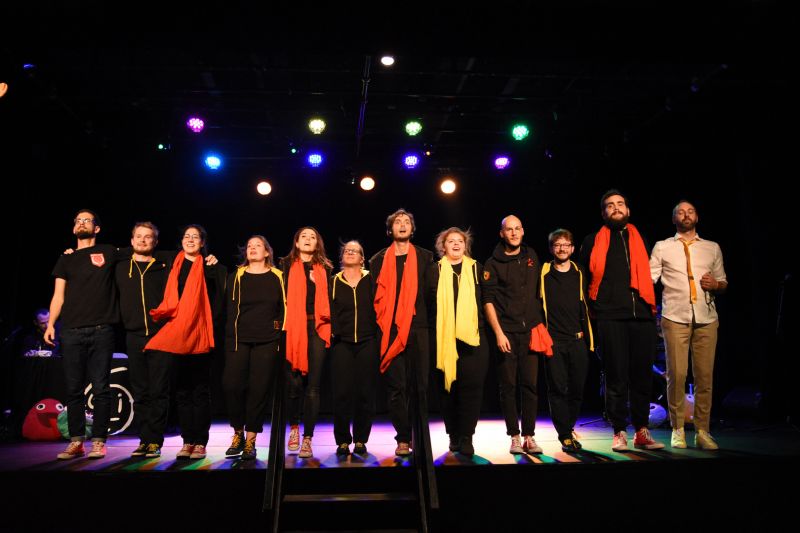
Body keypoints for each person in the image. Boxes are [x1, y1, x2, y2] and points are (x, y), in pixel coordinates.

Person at [578, 190, 664, 451]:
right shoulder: (592, 240)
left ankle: (641, 430)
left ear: (628, 210)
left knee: (642, 377)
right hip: (609, 316)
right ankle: (619, 431)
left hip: (642, 316)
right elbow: (583, 279)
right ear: (603, 213)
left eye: (620, 204)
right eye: (609, 205)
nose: (615, 208)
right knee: (616, 377)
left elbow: (653, 275)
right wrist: (593, 311)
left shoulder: (641, 238)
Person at [144, 224, 226, 460]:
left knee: (199, 390)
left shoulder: (211, 267)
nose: (190, 240)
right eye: (186, 236)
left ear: (202, 243)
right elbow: (139, 251)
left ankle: (200, 442)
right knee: (181, 391)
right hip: (177, 335)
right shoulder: (172, 263)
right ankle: (187, 440)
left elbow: (218, 300)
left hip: (199, 334)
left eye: (195, 237)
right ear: (181, 241)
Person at [650, 201, 727, 450]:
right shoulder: (662, 246)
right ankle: (678, 429)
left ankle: (702, 431)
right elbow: (649, 278)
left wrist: (716, 285)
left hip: (706, 318)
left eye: (690, 211)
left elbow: (723, 281)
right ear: (674, 219)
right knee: (677, 374)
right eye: (680, 212)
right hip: (675, 317)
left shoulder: (711, 247)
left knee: (704, 376)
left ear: (697, 217)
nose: (686, 214)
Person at [45, 209, 119, 460]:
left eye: (87, 220)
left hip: (101, 330)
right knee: (73, 389)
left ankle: (99, 441)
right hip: (71, 331)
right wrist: (51, 324)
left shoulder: (108, 251)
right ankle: (76, 441)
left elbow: (141, 253)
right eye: (78, 220)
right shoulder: (65, 259)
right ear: (73, 228)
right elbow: (58, 295)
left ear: (97, 228)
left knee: (101, 388)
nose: (82, 223)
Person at [482, 215, 550, 455]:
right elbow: (488, 301)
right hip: (507, 333)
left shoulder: (531, 256)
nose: (513, 233)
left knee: (530, 385)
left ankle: (529, 436)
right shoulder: (492, 263)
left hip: (530, 331)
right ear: (502, 233)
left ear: (523, 231)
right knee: (508, 387)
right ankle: (514, 436)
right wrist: (499, 333)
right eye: (509, 229)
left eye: (517, 229)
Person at [370, 209, 435, 456]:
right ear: (390, 230)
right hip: (390, 329)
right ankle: (404, 438)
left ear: (412, 229)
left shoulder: (425, 257)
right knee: (396, 387)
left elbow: (431, 295)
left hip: (418, 327)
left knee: (420, 386)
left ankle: (420, 435)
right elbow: (374, 298)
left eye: (407, 221)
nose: (403, 224)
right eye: (398, 222)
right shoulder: (377, 260)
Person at [222, 236, 286, 460]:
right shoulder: (236, 276)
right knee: (232, 386)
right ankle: (237, 433)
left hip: (267, 340)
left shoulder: (278, 276)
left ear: (267, 252)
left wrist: (277, 332)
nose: (252, 248)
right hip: (238, 339)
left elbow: (284, 308)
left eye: (258, 246)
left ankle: (250, 440)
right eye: (249, 246)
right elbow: (228, 308)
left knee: (259, 390)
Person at [432, 227, 489, 457]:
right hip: (444, 338)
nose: (456, 244)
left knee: (471, 390)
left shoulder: (477, 268)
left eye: (460, 241)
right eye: (451, 241)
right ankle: (453, 435)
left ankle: (467, 436)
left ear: (466, 246)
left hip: (473, 338)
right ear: (443, 246)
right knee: (448, 389)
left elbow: (487, 301)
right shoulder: (434, 270)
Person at [539, 229, 594, 452]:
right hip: (554, 341)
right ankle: (564, 435)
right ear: (551, 248)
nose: (562, 248)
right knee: (557, 389)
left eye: (566, 244)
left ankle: (568, 427)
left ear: (572, 248)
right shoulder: (543, 273)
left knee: (577, 389)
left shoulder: (580, 272)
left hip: (578, 340)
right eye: (557, 244)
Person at [282, 227, 332, 459]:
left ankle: (308, 438)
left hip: (317, 327)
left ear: (317, 243)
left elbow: (331, 300)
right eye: (304, 236)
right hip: (293, 328)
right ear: (296, 242)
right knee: (294, 384)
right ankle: (294, 427)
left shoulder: (325, 269)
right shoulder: (284, 266)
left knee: (313, 387)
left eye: (313, 237)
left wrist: (319, 282)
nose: (308, 239)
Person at [329, 240, 378, 457]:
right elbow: (327, 309)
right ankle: (342, 440)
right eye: (347, 250)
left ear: (362, 258)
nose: (350, 253)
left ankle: (360, 439)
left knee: (365, 393)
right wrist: (335, 331)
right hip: (342, 343)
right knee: (341, 393)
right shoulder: (333, 281)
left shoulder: (372, 279)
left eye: (355, 251)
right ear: (342, 257)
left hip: (368, 341)